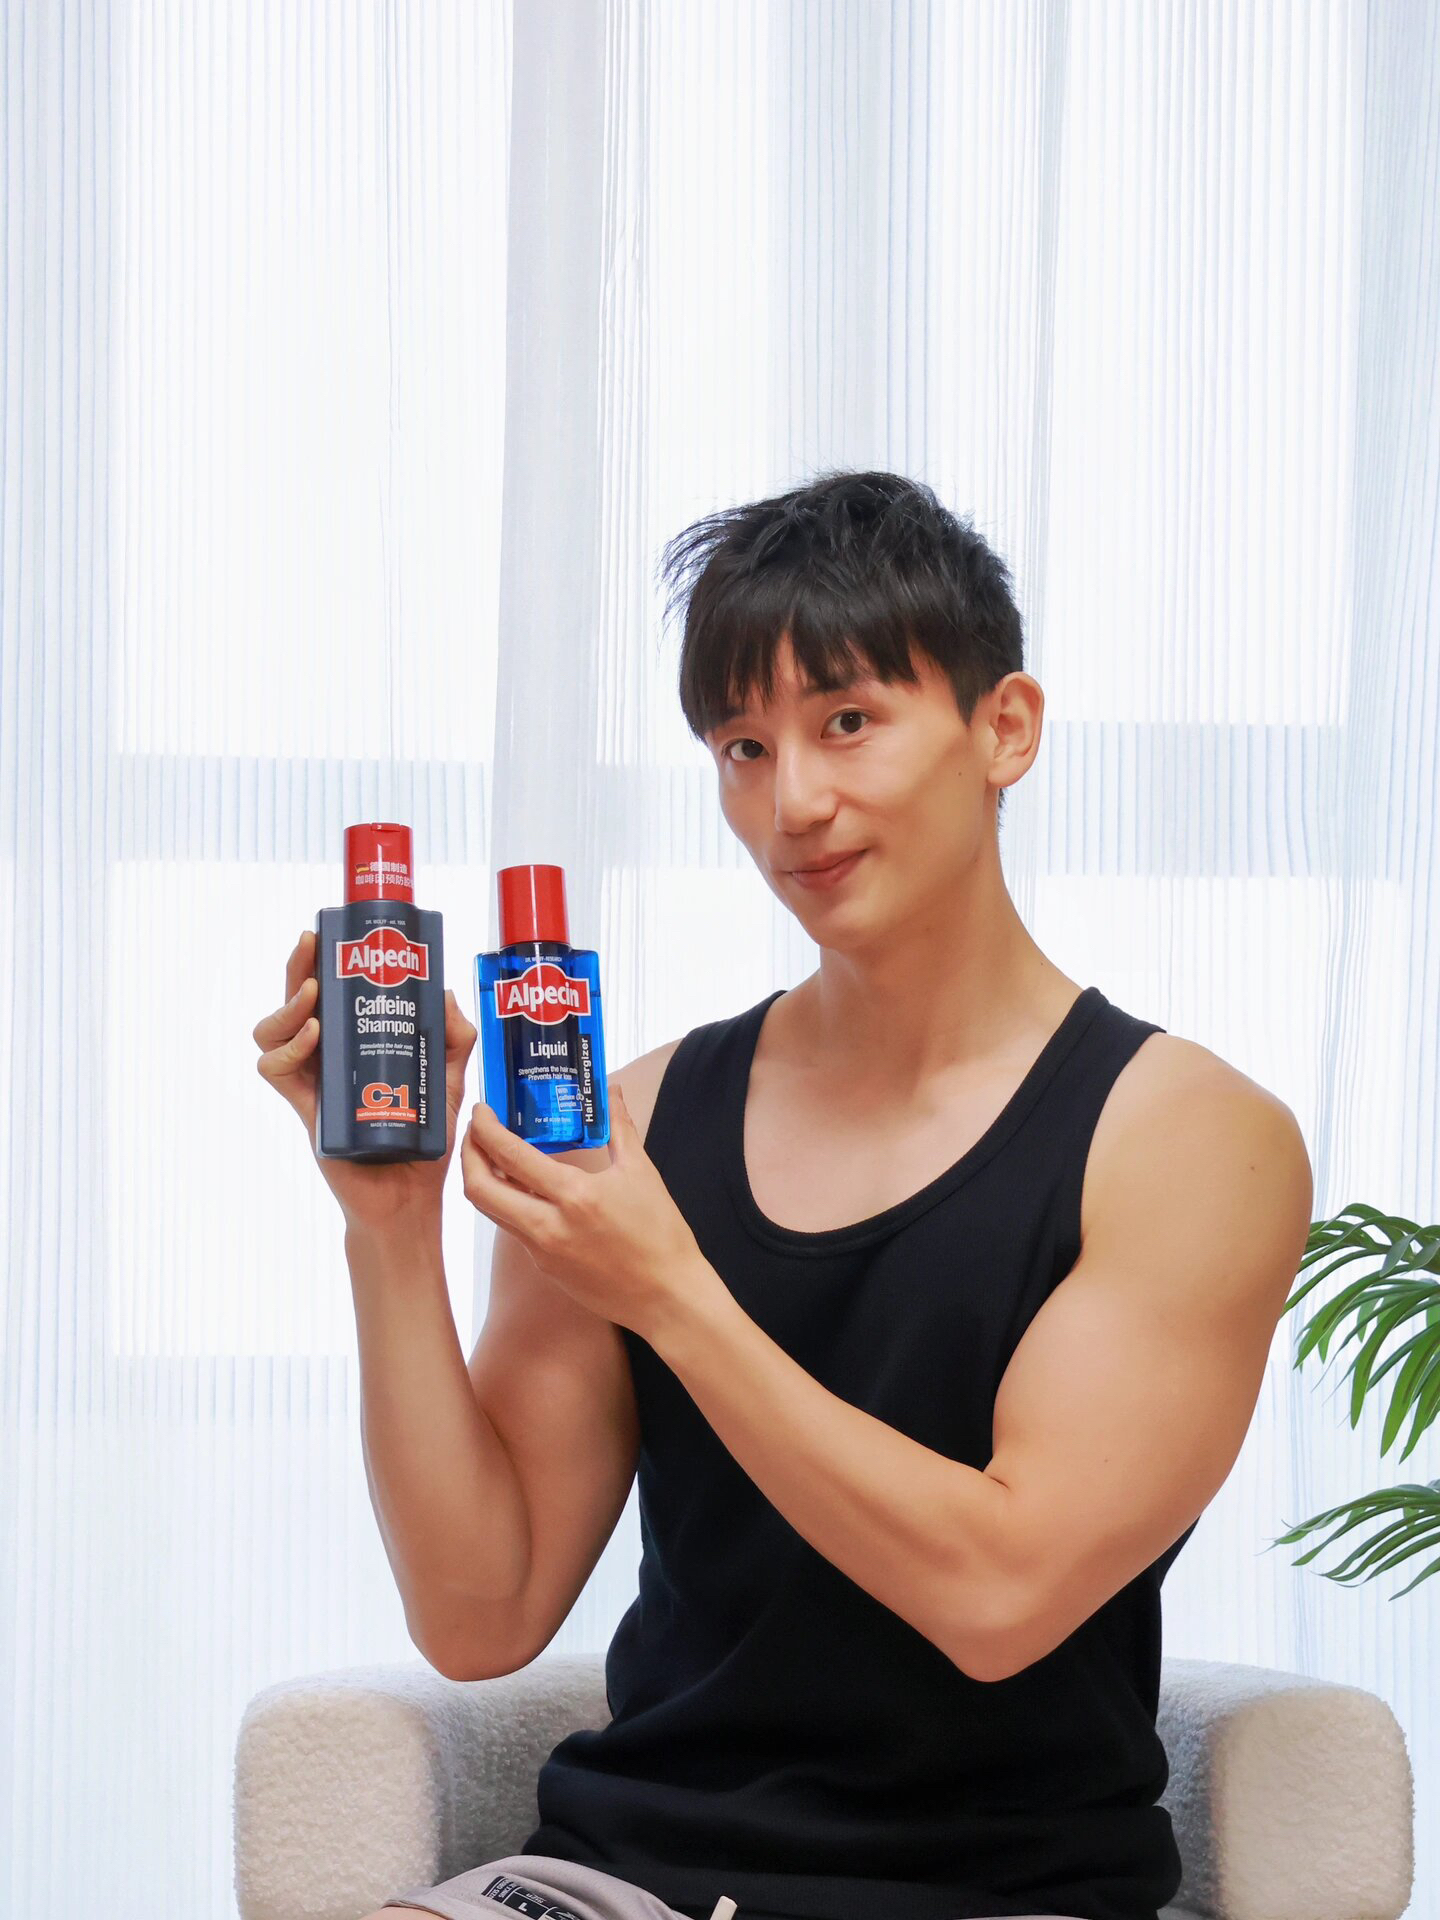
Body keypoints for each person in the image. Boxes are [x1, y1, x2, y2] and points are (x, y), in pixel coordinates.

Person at [253, 470, 1313, 1920]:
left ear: (1006, 729)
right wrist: (390, 1223)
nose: (793, 804)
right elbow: (479, 1610)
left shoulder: (1188, 1138)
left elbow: (999, 1598)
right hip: (623, 1876)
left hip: (1000, 1891)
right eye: (743, 748)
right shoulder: (632, 1123)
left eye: (848, 723)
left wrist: (672, 1294)